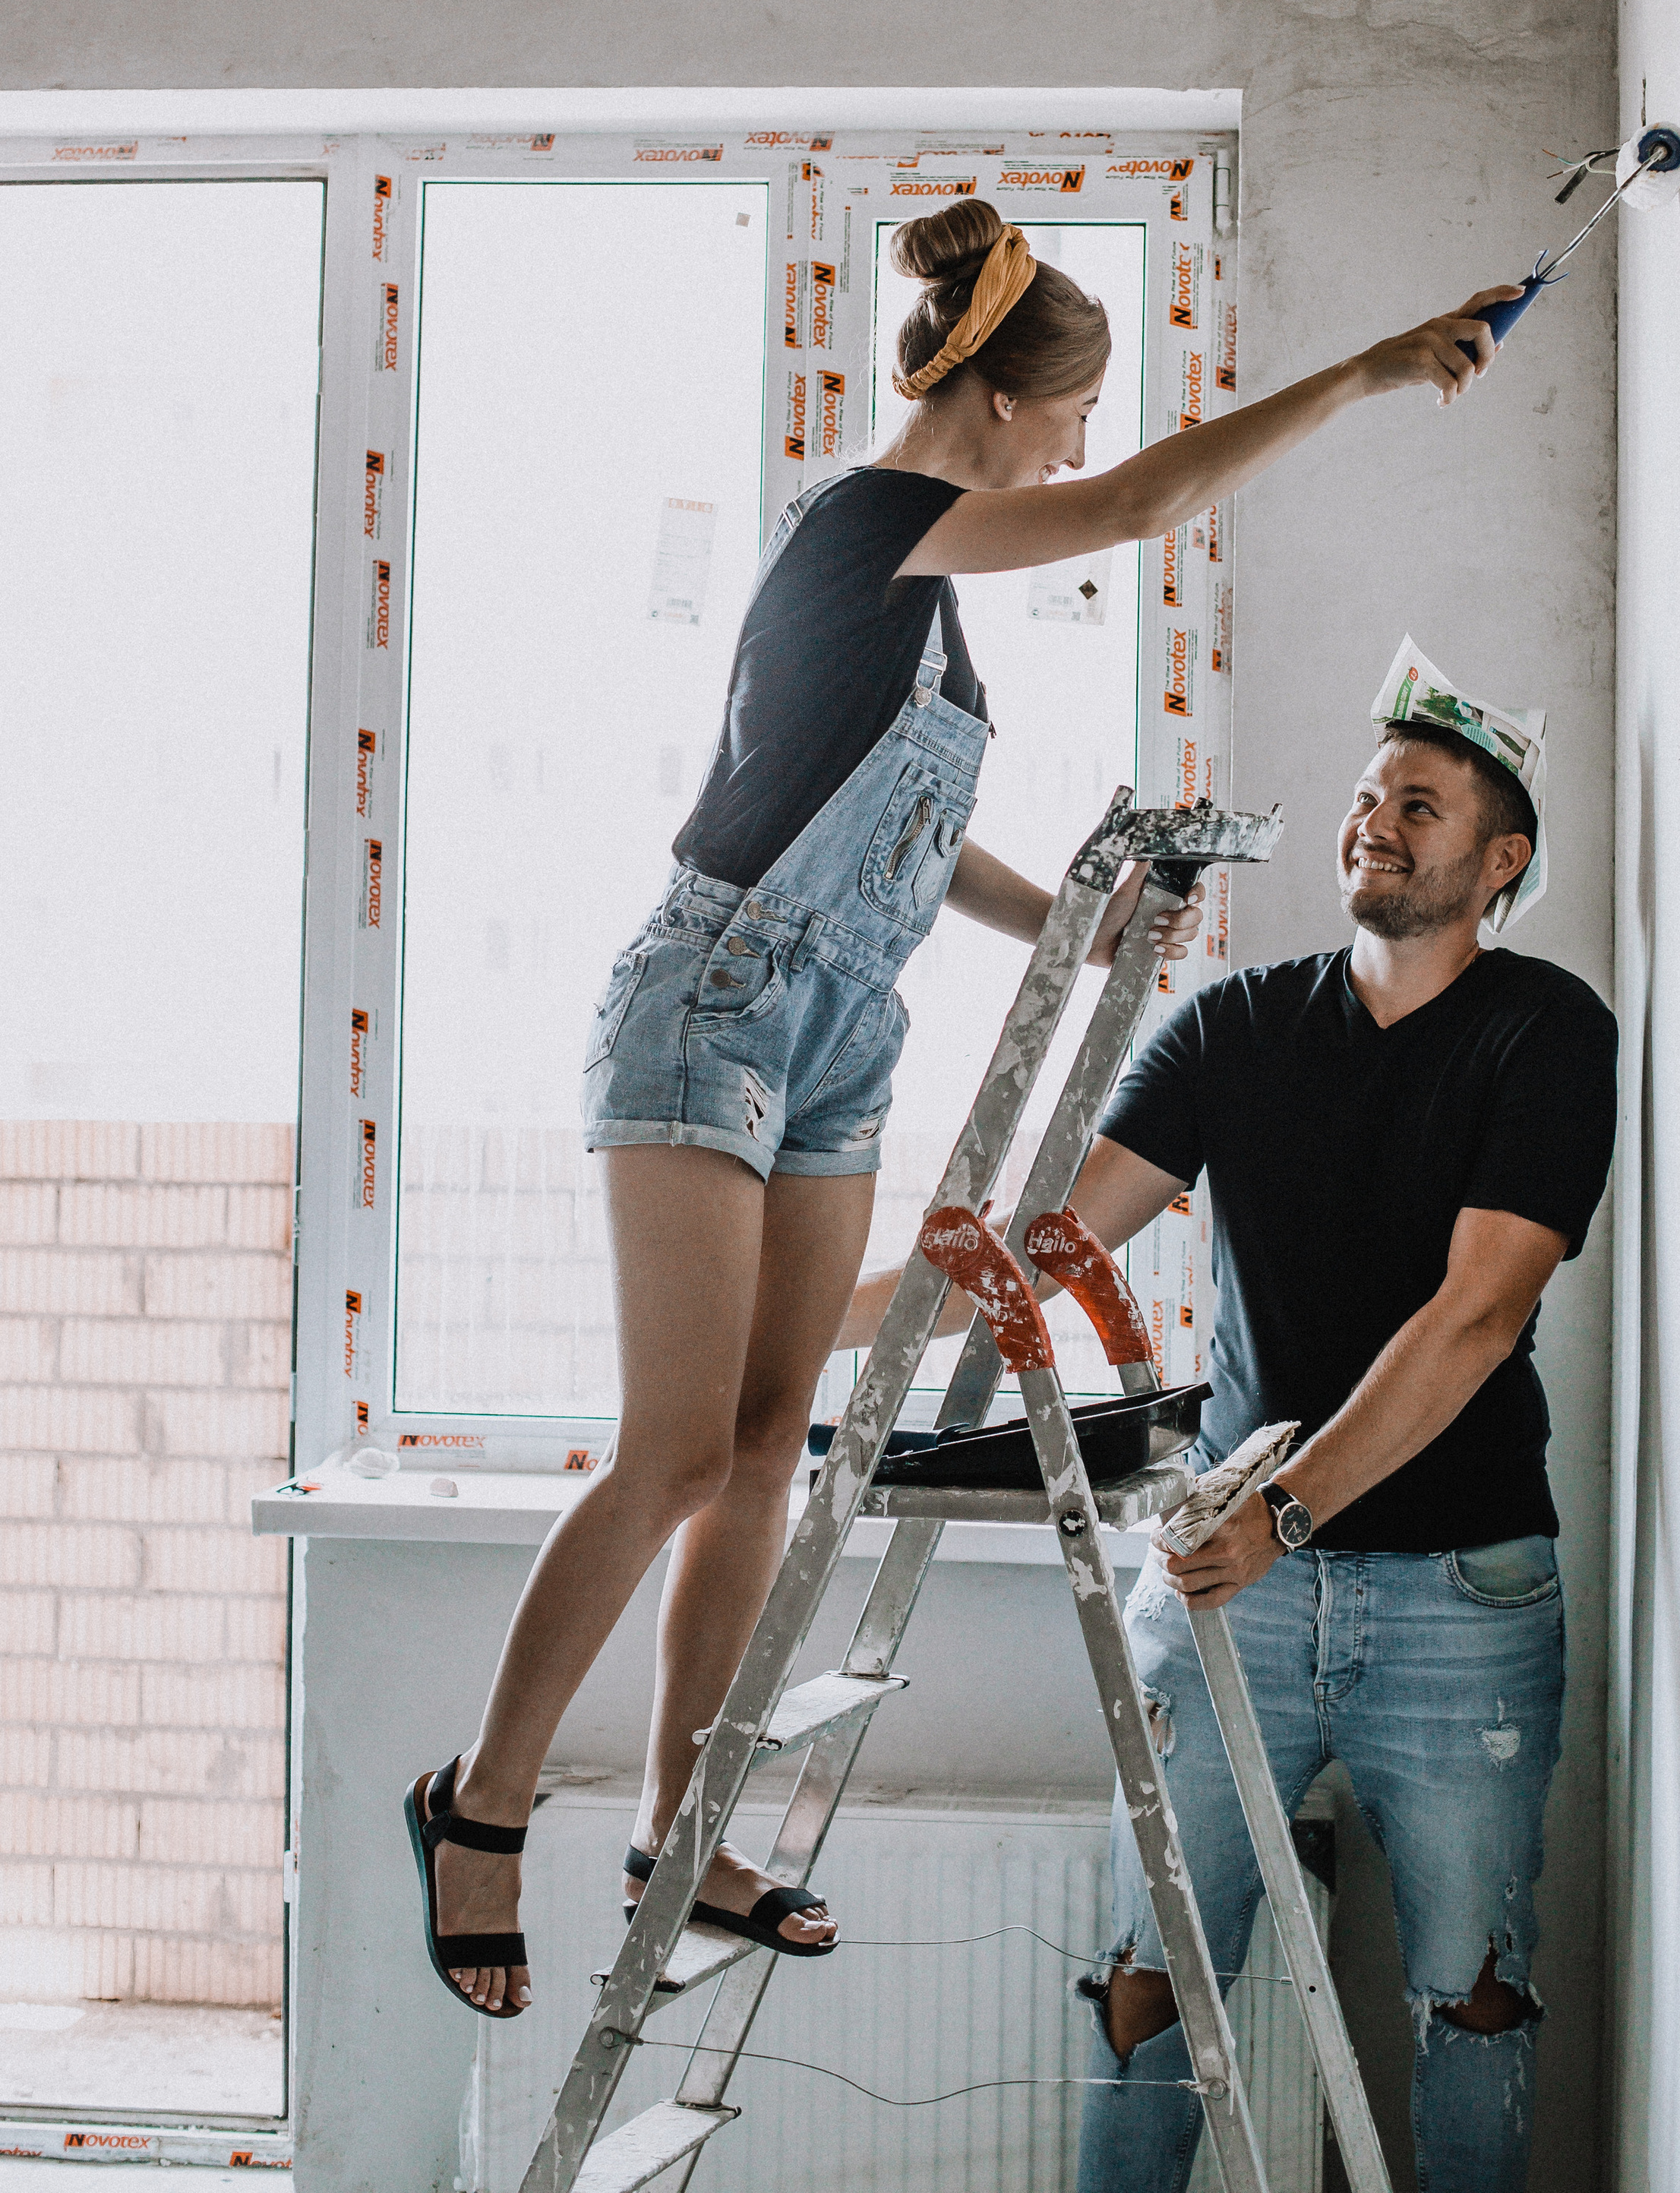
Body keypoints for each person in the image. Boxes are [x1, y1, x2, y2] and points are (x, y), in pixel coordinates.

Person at [404, 204, 1517, 2024]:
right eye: (1070, 416)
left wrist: (1077, 923)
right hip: (713, 999)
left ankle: (686, 1824)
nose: (1078, 449)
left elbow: (908, 853)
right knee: (678, 1447)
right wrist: (1376, 367)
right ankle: (481, 1803)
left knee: (773, 1448)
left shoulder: (917, 611)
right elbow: (1145, 502)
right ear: (1004, 404)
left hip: (839, 1030)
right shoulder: (858, 526)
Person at [1022, 649, 1617, 2193]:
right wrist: (792, 1308)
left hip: (1457, 1601)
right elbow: (1055, 1243)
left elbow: (1476, 1317)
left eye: (1418, 805)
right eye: (1364, 799)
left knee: (1469, 2000)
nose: (1374, 824)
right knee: (1146, 1979)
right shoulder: (1230, 1030)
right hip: (1230, 1605)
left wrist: (1283, 1516)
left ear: (1500, 863)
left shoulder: (1543, 1030)